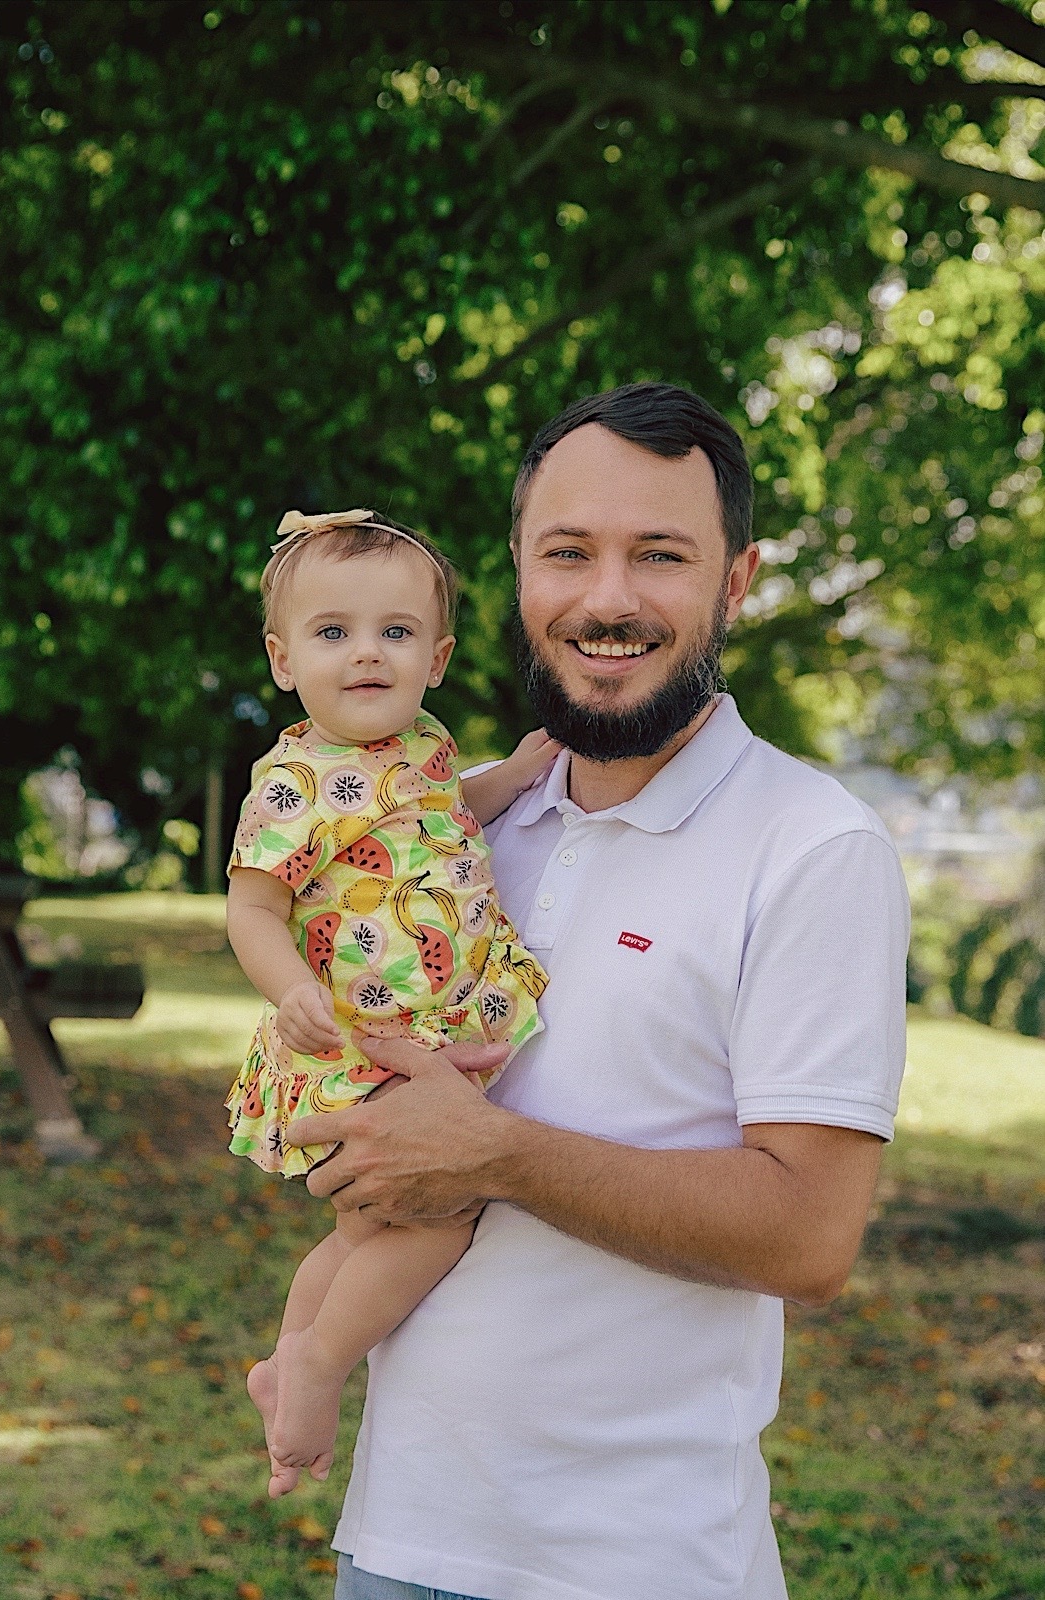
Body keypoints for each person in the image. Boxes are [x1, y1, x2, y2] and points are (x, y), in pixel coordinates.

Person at [287, 383, 911, 1600]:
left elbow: (809, 1235)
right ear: (517, 571)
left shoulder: (812, 846)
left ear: (734, 583)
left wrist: (494, 1154)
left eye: (660, 555)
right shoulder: (465, 826)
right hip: (397, 1539)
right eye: (566, 552)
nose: (606, 598)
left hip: (636, 1566)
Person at [224, 507, 554, 1497]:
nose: (366, 654)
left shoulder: (423, 744)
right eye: (333, 633)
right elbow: (250, 908)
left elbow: (452, 813)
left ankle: (286, 1360)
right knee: (435, 1216)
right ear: (284, 659)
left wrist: (519, 775)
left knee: (365, 1231)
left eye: (395, 633)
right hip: (356, 1044)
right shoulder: (291, 783)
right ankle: (324, 1367)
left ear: (437, 655)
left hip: (432, 1023)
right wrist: (289, 993)